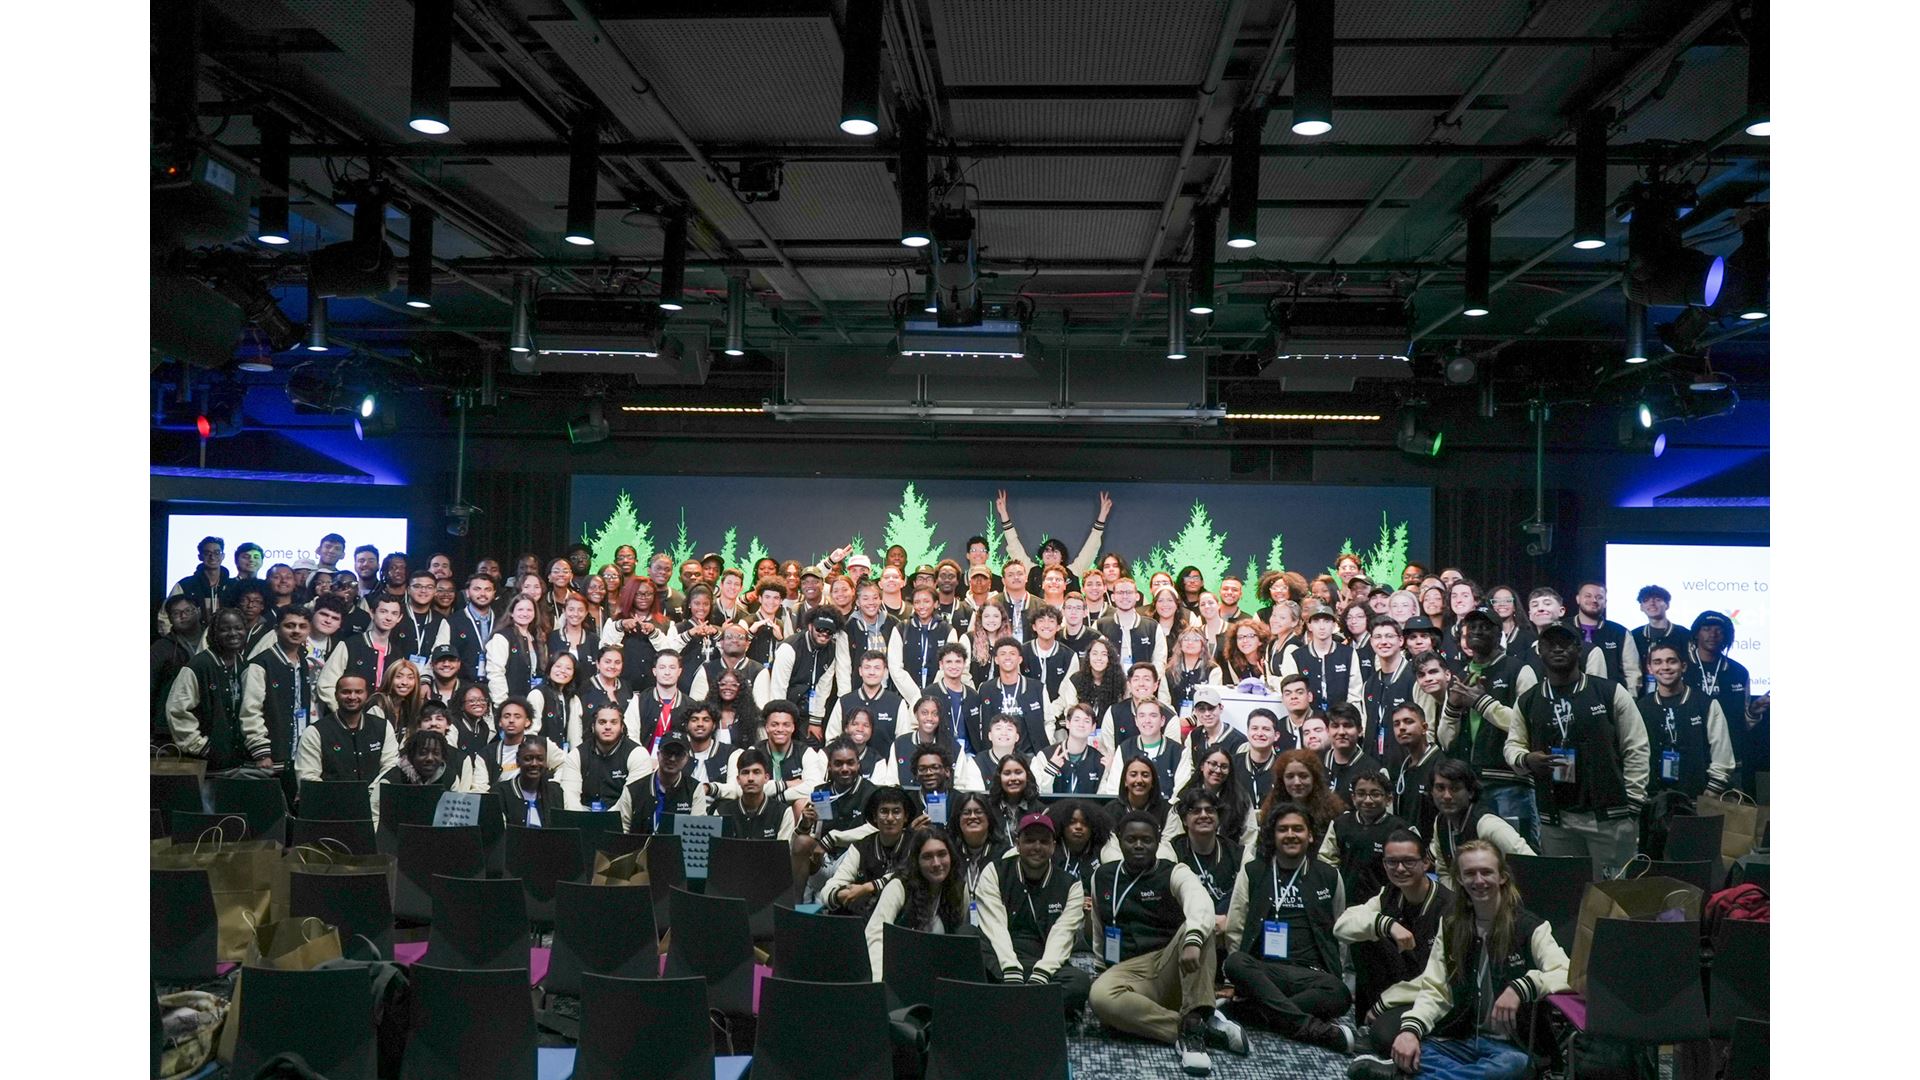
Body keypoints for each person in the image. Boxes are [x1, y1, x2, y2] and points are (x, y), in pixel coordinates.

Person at [1349, 842, 1568, 1080]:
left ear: (1502, 877)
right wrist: (1411, 1030)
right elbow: (1436, 988)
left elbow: (1568, 973)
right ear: (1460, 880)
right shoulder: (1453, 925)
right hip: (1459, 1038)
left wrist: (1522, 987)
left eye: (1486, 872)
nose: (1479, 880)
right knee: (1416, 1048)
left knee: (1512, 1067)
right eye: (1470, 874)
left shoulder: (1529, 927)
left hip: (1511, 1046)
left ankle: (1404, 1076)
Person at [1088, 811, 1246, 1076]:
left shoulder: (1174, 872)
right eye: (1131, 839)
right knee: (1099, 997)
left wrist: (1194, 938)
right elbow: (1099, 927)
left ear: (1158, 842)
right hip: (1129, 970)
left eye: (1146, 840)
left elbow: (1201, 903)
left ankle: (1193, 1032)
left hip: (1172, 962)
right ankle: (1194, 1027)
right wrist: (1099, 967)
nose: (1139, 845)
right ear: (1119, 841)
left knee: (1196, 926)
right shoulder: (1102, 876)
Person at [1505, 623, 1649, 877]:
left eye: (1566, 643)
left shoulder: (1609, 692)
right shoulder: (1528, 700)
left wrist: (1633, 804)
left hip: (1609, 817)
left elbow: (1636, 747)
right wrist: (1525, 759)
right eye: (1551, 644)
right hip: (1556, 819)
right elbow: (1513, 745)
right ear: (1539, 650)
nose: (1558, 648)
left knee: (1613, 894)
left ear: (1579, 648)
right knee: (1567, 892)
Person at [1221, 801, 1356, 1054]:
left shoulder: (1328, 875)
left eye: (1298, 829)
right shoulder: (1254, 871)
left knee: (1339, 993)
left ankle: (1251, 1013)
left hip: (1311, 976)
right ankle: (1310, 1027)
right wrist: (1239, 979)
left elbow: (1338, 932)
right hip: (1264, 972)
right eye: (1283, 829)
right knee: (1236, 962)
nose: (1291, 835)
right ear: (1273, 835)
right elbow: (1236, 926)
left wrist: (1334, 971)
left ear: (1311, 835)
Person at [1335, 829, 1454, 1040]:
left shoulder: (1449, 908)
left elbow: (1440, 980)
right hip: (1401, 988)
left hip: (1433, 995)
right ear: (1384, 864)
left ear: (1426, 862)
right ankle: (1372, 1020)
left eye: (1408, 861)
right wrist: (1385, 923)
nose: (1400, 869)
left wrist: (1385, 1002)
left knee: (1383, 1037)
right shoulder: (1389, 894)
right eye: (1392, 862)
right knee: (1362, 932)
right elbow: (1342, 927)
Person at [975, 812, 1093, 1016]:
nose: (1036, 847)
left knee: (1079, 983)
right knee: (966, 935)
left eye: (1044, 841)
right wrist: (1010, 969)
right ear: (1018, 844)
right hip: (999, 957)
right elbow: (994, 926)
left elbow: (1063, 935)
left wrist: (1043, 972)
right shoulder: (995, 871)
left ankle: (1000, 1006)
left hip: (1041, 961)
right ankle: (1035, 1009)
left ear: (1053, 846)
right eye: (1029, 840)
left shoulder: (1071, 885)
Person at [166, 608, 274, 770]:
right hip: (204, 762)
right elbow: (177, 710)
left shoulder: (245, 665)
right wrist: (201, 746)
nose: (233, 633)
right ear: (213, 633)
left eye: (238, 628)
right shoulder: (198, 666)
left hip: (239, 760)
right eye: (225, 629)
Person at [865, 828, 970, 980]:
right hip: (898, 970)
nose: (936, 863)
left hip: (939, 973)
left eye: (942, 854)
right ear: (917, 861)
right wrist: (879, 981)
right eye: (927, 857)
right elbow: (876, 934)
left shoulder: (960, 889)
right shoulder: (898, 887)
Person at [1636, 641, 1737, 799]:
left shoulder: (1706, 703)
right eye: (1657, 662)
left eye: (1671, 661)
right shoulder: (1641, 707)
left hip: (1699, 796)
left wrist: (1713, 790)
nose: (1665, 667)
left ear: (1683, 666)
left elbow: (1722, 751)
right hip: (1654, 799)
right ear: (1649, 668)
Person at [239, 606, 318, 804]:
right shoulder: (260, 664)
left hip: (296, 757)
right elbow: (250, 712)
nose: (296, 631)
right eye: (289, 626)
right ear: (276, 629)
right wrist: (261, 752)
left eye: (302, 626)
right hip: (267, 759)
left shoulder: (304, 663)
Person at [1685, 610, 1761, 795]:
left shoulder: (1738, 672)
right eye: (1707, 629)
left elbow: (1743, 723)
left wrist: (1754, 711)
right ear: (1696, 633)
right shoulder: (1682, 667)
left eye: (1719, 630)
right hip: (1689, 757)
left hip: (1730, 760)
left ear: (1727, 635)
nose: (1713, 634)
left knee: (1731, 819)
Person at [1428, 760, 1535, 887]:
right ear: (1431, 792)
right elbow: (1444, 872)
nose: (1447, 796)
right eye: (1440, 788)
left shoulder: (1487, 825)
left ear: (1470, 792)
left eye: (1455, 788)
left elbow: (1532, 865)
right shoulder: (1440, 822)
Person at [1317, 771, 1411, 911]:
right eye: (1361, 794)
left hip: (1385, 906)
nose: (1368, 800)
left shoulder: (1400, 829)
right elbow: (1326, 861)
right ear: (1353, 798)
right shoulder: (1340, 824)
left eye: (1375, 794)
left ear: (1389, 799)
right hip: (1345, 904)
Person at [819, 784, 914, 916]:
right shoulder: (860, 847)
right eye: (884, 811)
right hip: (861, 918)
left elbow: (904, 875)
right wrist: (842, 894)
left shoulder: (916, 843)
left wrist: (867, 888)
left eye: (896, 812)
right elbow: (830, 888)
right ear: (875, 817)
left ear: (906, 817)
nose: (890, 818)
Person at [994, 488, 1112, 594]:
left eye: (1055, 551)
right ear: (1042, 555)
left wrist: (1102, 517)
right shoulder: (1032, 571)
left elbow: (1090, 549)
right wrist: (1004, 515)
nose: (1051, 553)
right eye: (1047, 550)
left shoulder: (1073, 572)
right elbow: (1014, 546)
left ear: (1062, 557)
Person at [295, 674, 397, 783]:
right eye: (346, 692)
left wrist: (372, 795)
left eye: (358, 692)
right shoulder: (315, 732)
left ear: (367, 695)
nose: (352, 697)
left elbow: (390, 768)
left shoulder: (383, 727)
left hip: (375, 798)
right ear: (336, 695)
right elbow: (307, 778)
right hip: (330, 798)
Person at [1169, 788, 1241, 936]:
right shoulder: (1173, 850)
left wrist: (1228, 917)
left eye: (1210, 810)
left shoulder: (1235, 852)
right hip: (1186, 928)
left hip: (1225, 928)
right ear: (1184, 819)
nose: (1204, 815)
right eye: (1196, 811)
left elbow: (1242, 896)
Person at [316, 594, 406, 712]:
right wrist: (344, 712)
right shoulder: (350, 645)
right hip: (347, 718)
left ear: (399, 618)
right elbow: (326, 684)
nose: (388, 618)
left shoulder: (397, 654)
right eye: (383, 611)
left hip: (382, 720)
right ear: (372, 613)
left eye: (394, 613)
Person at [770, 608, 845, 743]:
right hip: (785, 704)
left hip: (808, 708)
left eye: (829, 632)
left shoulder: (832, 650)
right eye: (820, 629)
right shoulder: (789, 648)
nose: (824, 634)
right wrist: (781, 722)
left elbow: (823, 687)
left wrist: (815, 721)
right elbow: (778, 688)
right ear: (810, 626)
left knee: (815, 744)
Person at [563, 704, 654, 812]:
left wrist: (606, 821)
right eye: (602, 722)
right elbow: (571, 801)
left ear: (622, 727)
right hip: (583, 817)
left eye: (614, 722)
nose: (608, 727)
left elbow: (629, 803)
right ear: (593, 727)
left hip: (622, 821)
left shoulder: (638, 755)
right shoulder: (576, 755)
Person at [616, 731, 709, 834]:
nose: (672, 759)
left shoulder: (694, 789)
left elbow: (697, 833)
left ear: (687, 759)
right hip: (638, 849)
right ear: (658, 754)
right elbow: (622, 831)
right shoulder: (633, 790)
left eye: (678, 754)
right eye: (668, 752)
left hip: (677, 849)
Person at [969, 637, 1050, 754]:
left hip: (1030, 755)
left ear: (1020, 659)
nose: (1007, 657)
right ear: (996, 659)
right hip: (997, 754)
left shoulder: (1037, 687)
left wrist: (1045, 749)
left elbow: (1049, 721)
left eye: (1012, 653)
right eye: (1002, 654)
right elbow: (980, 723)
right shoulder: (985, 688)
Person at [1100, 697, 1189, 799]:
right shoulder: (1124, 749)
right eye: (1142, 716)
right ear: (1136, 721)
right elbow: (1114, 790)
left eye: (1153, 715)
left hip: (1167, 813)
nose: (1147, 720)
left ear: (1162, 721)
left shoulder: (1179, 752)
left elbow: (1180, 795)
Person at [1389, 699, 1444, 841]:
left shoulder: (1440, 764)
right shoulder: (1403, 766)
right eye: (1396, 724)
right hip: (1407, 849)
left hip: (1433, 852)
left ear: (1424, 728)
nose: (1401, 727)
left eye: (1408, 721)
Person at [153, 595, 205, 744]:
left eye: (188, 610)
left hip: (206, 724)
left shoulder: (213, 641)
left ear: (198, 611)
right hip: (168, 728)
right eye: (176, 613)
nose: (183, 616)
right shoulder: (161, 647)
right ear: (169, 619)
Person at [1263, 749, 1346, 840]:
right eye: (1290, 776)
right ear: (1282, 781)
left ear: (1314, 779)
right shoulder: (1271, 812)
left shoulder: (1333, 812)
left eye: (1303, 776)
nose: (1297, 782)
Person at [826, 649, 907, 743]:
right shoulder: (844, 702)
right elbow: (831, 740)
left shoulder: (897, 703)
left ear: (885, 672)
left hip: (886, 758)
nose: (872, 672)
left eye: (877, 668)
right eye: (867, 667)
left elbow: (903, 743)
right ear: (860, 671)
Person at [1572, 581, 1640, 690]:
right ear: (1578, 599)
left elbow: (1632, 672)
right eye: (1588, 596)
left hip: (1611, 699)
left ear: (1605, 602)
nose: (1594, 600)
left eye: (1599, 597)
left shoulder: (1620, 632)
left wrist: (1629, 699)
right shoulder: (1563, 628)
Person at [1051, 635, 1123, 737]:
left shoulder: (1119, 682)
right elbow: (1071, 710)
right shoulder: (1076, 680)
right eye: (1094, 654)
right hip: (1081, 732)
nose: (1099, 658)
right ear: (1088, 657)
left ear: (1110, 659)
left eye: (1104, 654)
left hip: (1110, 733)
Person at [1628, 585, 1691, 696]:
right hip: (1642, 696)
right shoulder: (1634, 635)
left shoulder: (1683, 634)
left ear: (1667, 605)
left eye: (1657, 599)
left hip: (1678, 693)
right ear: (1641, 607)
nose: (1652, 603)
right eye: (1646, 600)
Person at [1037, 702, 1109, 794]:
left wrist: (1109, 770)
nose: (1081, 724)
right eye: (1076, 720)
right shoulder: (1046, 756)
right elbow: (1038, 795)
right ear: (1067, 723)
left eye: (1086, 721)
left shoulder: (1099, 761)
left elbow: (1103, 798)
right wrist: (1050, 769)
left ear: (1093, 727)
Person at [1098, 577, 1166, 673]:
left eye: (1129, 592)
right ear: (1113, 597)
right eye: (1120, 592)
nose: (1125, 596)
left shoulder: (1152, 627)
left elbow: (1159, 662)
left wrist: (1148, 681)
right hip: (1109, 686)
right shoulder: (1100, 625)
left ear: (1137, 596)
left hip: (1143, 686)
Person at [1322, 703, 1386, 804]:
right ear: (1327, 731)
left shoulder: (1374, 770)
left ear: (1360, 730)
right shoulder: (1317, 764)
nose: (1341, 732)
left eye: (1348, 725)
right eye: (1335, 726)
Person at [496, 738, 566, 827]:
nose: (534, 764)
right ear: (518, 761)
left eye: (540, 759)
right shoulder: (501, 792)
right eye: (528, 759)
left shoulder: (555, 792)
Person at [1236, 709, 1280, 804]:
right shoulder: (1232, 764)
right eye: (1255, 728)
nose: (1259, 734)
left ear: (1276, 736)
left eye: (1266, 729)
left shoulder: (1284, 767)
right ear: (1247, 732)